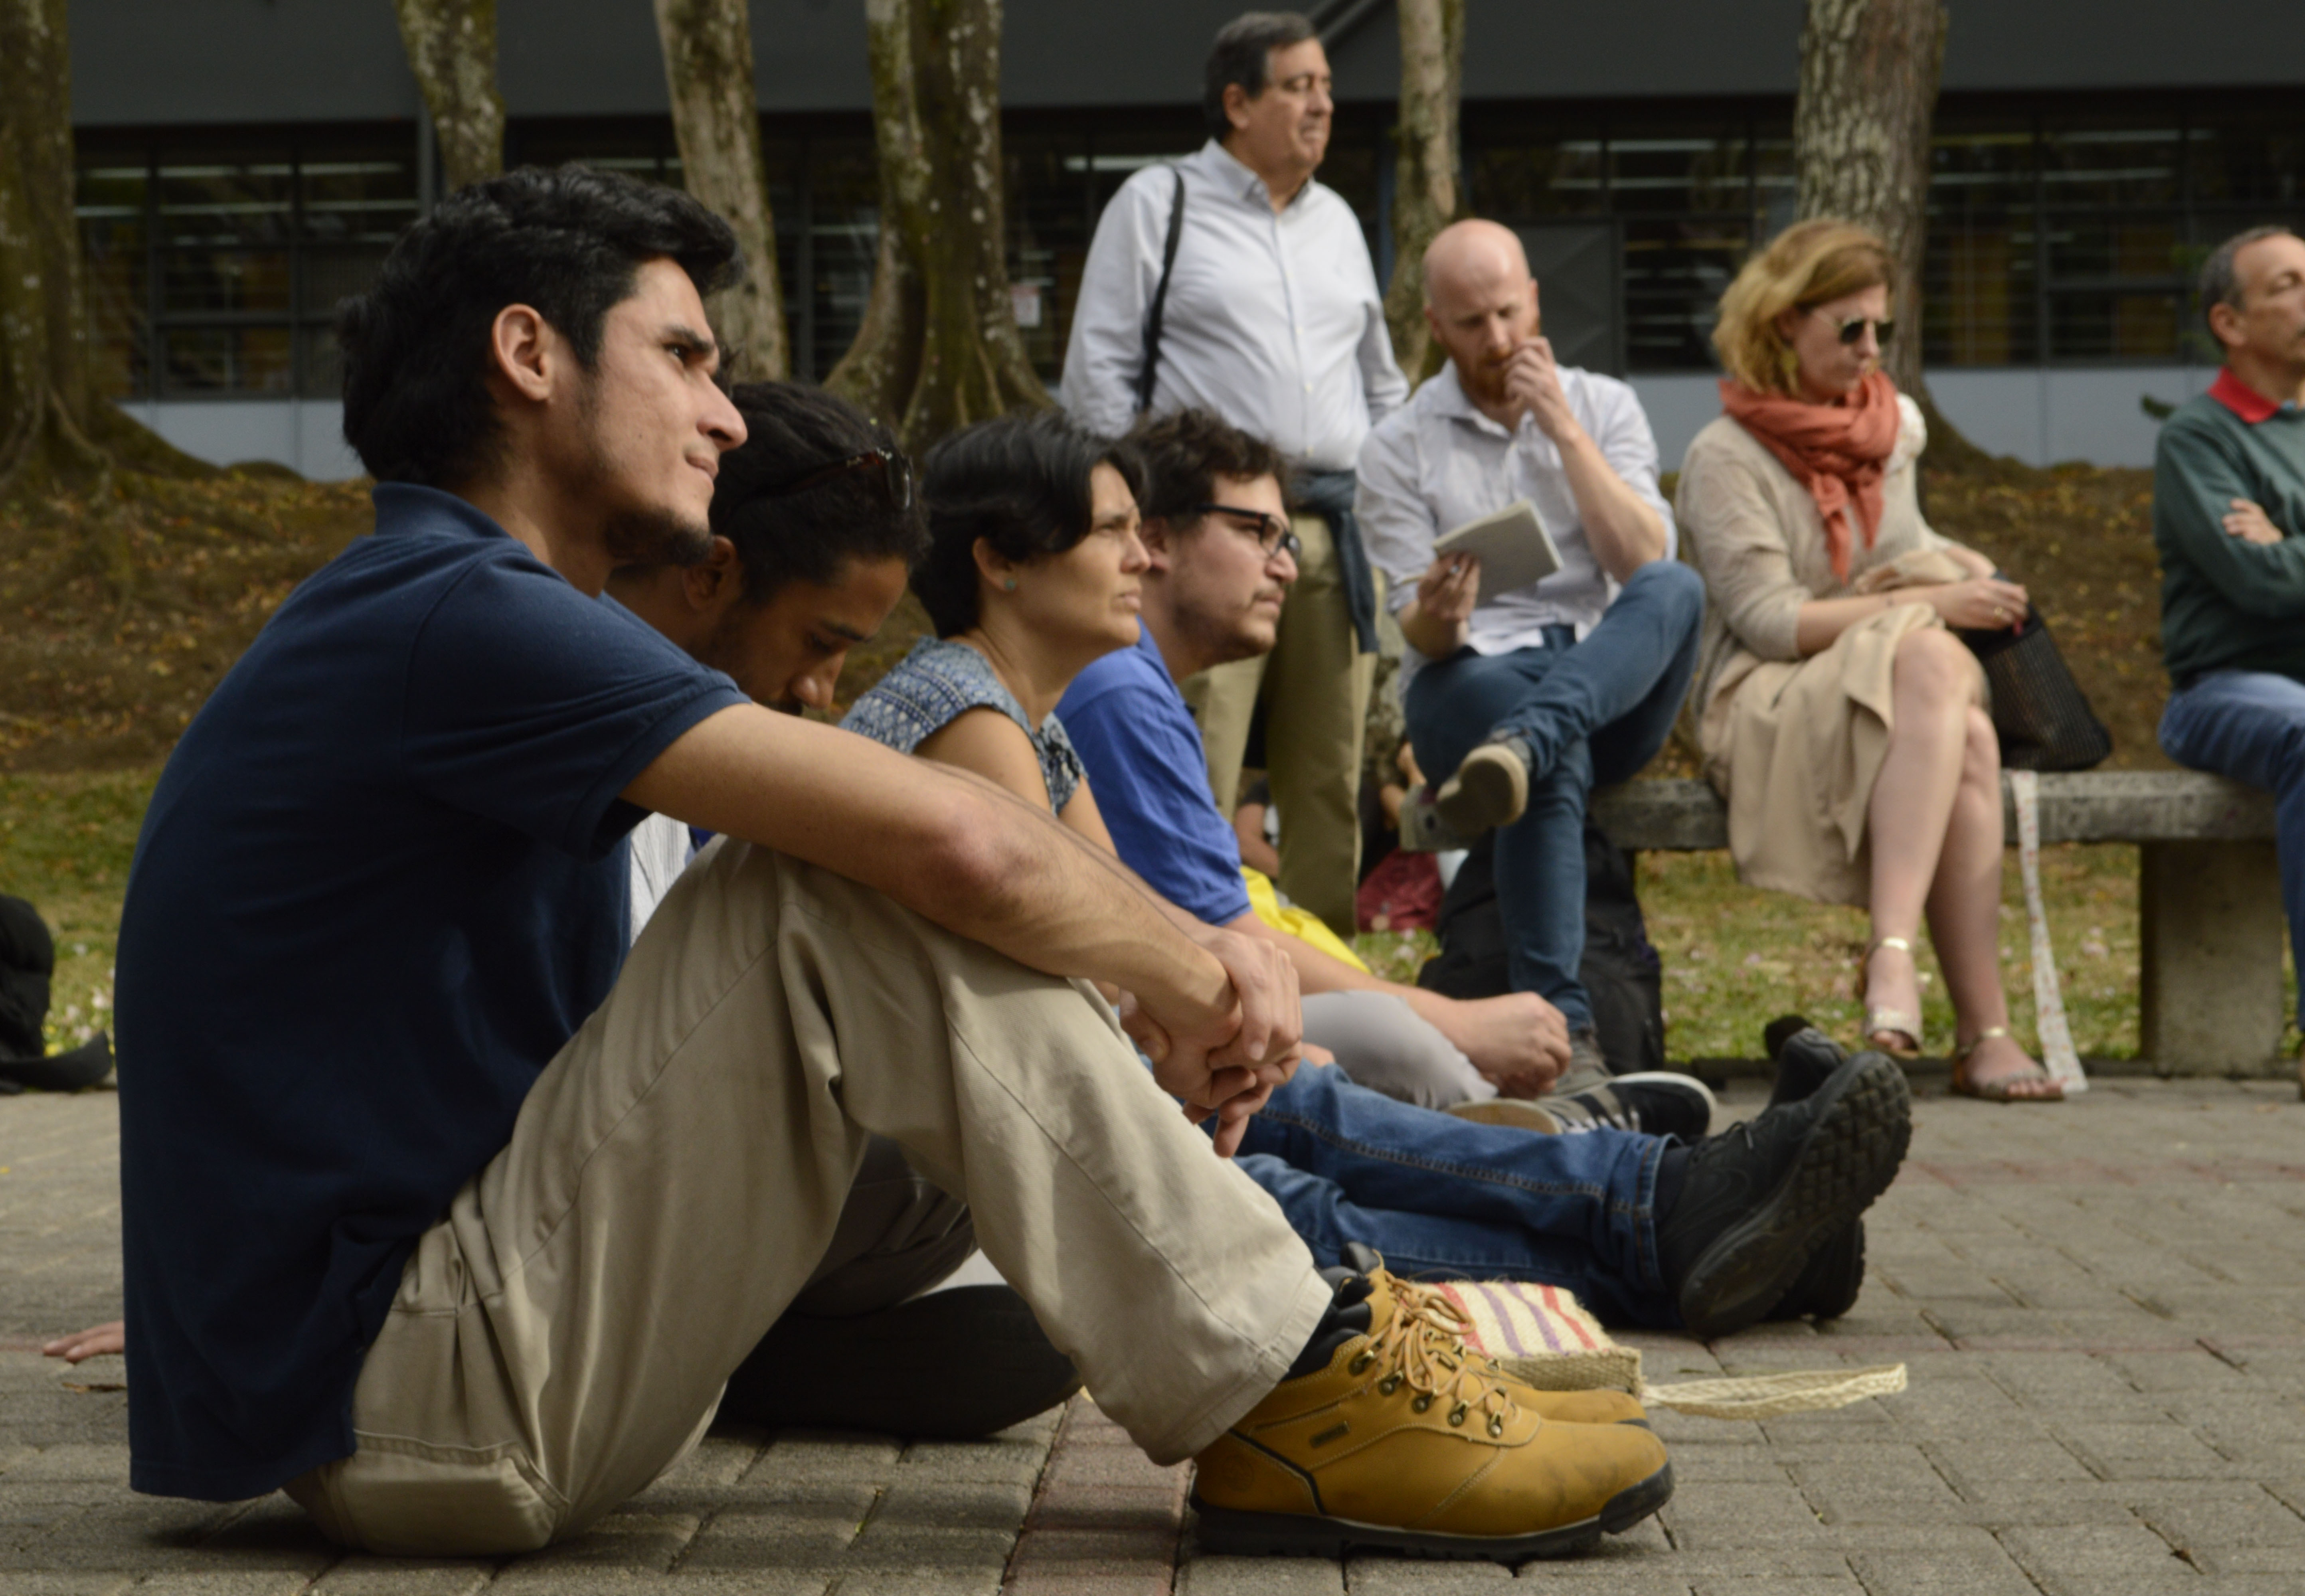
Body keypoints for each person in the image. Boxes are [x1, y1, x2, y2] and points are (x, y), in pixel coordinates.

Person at [110, 163, 1679, 1565]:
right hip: (411, 1406)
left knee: (934, 922)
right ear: (529, 357)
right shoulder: (448, 607)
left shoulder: (450, 613)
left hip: (466, 1331)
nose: (726, 412)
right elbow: (938, 832)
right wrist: (1196, 966)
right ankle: (1277, 1380)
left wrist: (1163, 988)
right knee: (836, 875)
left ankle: (1292, 1302)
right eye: (683, 357)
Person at [844, 405, 1911, 1343]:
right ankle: (1680, 1219)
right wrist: (1213, 1034)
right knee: (1284, 1196)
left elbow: (1119, 946)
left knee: (1295, 1128)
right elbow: (1079, 974)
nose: (1142, 558)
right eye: (1116, 532)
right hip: (949, 1159)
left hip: (1016, 1116)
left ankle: (1710, 1225)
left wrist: (1212, 1035)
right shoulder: (967, 705)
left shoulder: (1033, 721)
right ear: (1004, 559)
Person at [1060, 408, 1714, 1131]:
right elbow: (1229, 935)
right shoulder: (1119, 687)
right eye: (1256, 533)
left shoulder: (1136, 684)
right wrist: (1458, 1022)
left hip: (1188, 1016)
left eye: (1285, 538)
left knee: (1670, 586)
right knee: (1404, 1046)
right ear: (1156, 540)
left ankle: (1590, 1156)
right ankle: (1600, 1171)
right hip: (1153, 1044)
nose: (1286, 564)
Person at [1674, 219, 2058, 1102]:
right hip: (1767, 691)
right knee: (1949, 702)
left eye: (1879, 328)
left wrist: (1958, 564)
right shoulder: (1721, 456)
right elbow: (1770, 621)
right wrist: (1930, 603)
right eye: (1848, 329)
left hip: (1889, 677)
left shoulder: (1891, 430)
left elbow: (1903, 542)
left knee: (1944, 695)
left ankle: (1897, 964)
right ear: (1781, 324)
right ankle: (1977, 1025)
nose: (1869, 349)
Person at [1061, 10, 1406, 937]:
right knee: (1195, 745)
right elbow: (1096, 375)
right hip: (1204, 528)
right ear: (1236, 102)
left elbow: (1380, 383)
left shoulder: (1336, 220)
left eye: (1327, 88)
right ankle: (1186, 949)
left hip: (1330, 527)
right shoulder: (1157, 202)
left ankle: (1322, 968)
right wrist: (1130, 523)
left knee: (1328, 771)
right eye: (1298, 86)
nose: (1322, 105)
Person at [1357, 220, 1705, 1090]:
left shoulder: (1603, 406)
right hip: (1465, 681)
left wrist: (1560, 428)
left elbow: (1639, 562)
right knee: (1541, 754)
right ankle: (1566, 1037)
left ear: (1535, 301)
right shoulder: (1397, 446)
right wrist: (1440, 612)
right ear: (1436, 326)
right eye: (1472, 323)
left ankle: (1528, 739)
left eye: (1509, 314)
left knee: (1678, 589)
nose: (1499, 341)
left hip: (1601, 683)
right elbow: (1419, 632)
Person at [2151, 226, 2305, 1082]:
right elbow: (2258, 583)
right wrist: (2275, 553)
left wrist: (2293, 542)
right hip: (2226, 690)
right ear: (2229, 321)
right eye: (2284, 284)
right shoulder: (2196, 439)